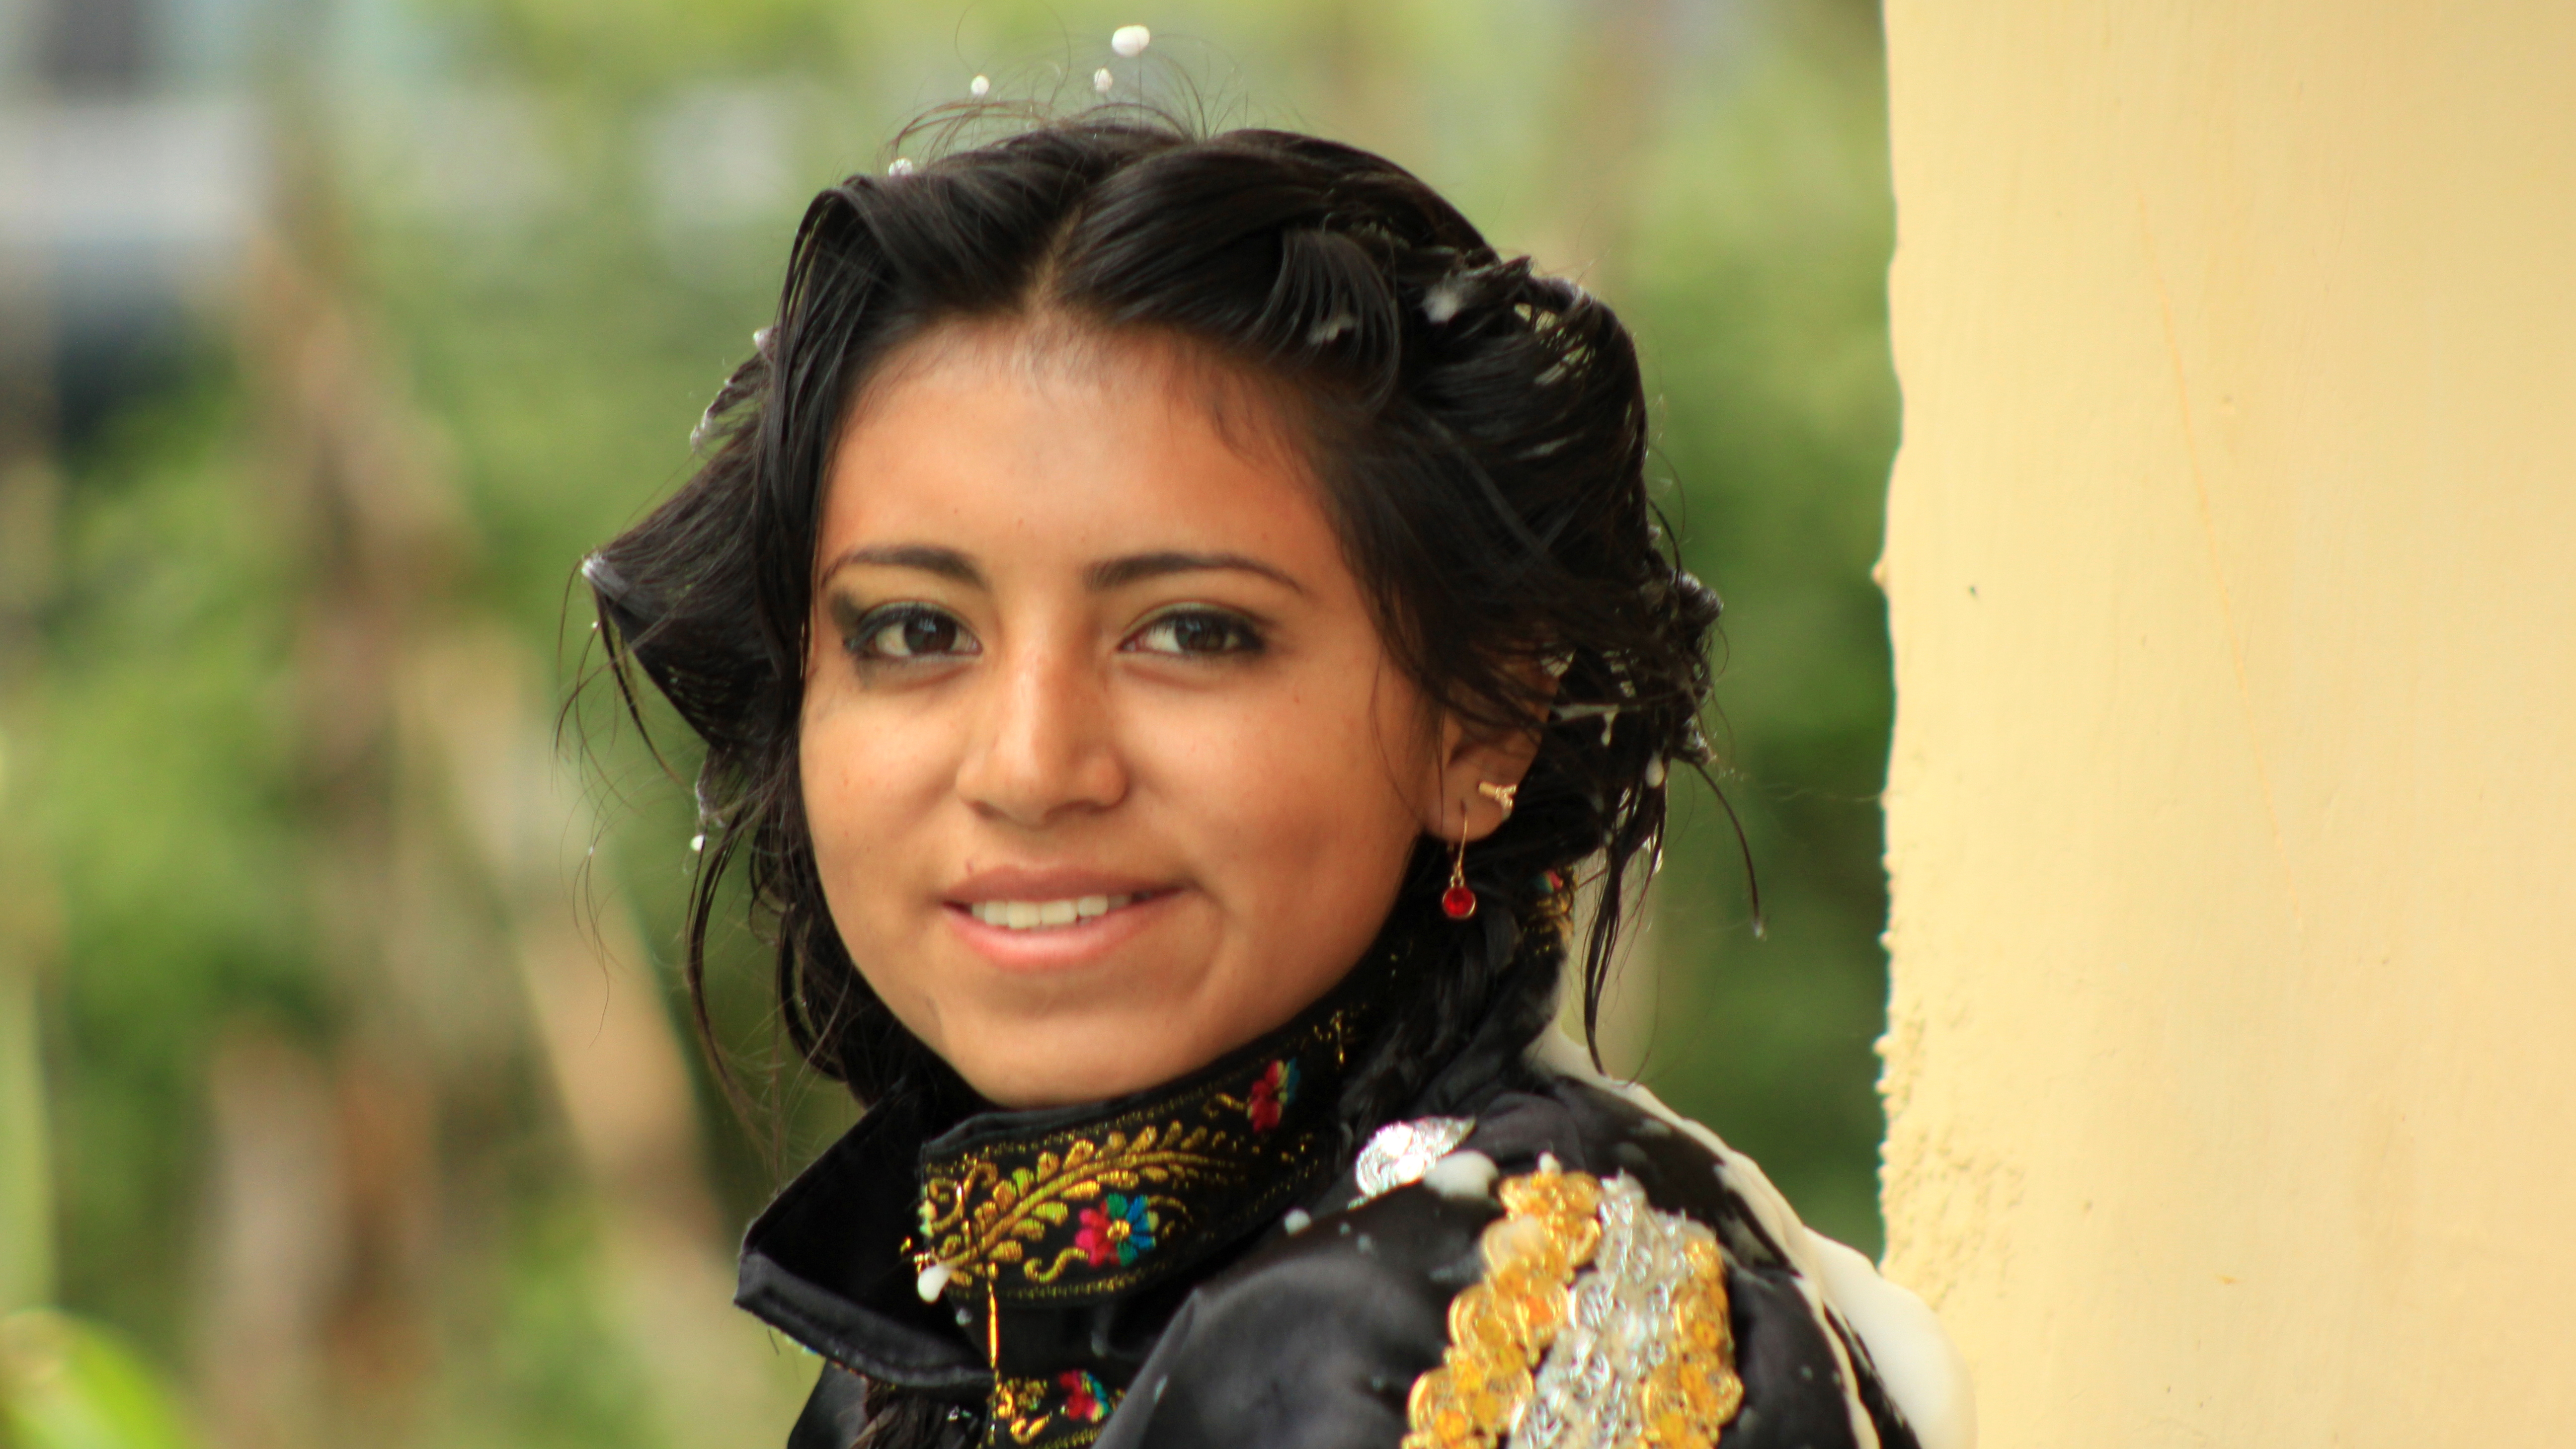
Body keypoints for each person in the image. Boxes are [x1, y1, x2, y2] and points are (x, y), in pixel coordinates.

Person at [582, 110, 1970, 1449]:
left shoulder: (1441, 1334)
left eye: (1193, 633)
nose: (1030, 766)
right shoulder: (952, 1343)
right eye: (914, 632)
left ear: (1482, 721)